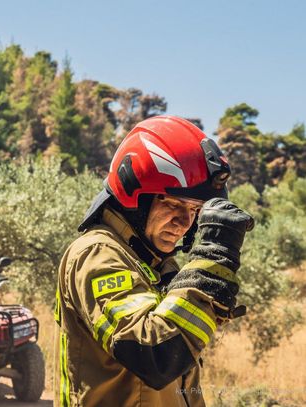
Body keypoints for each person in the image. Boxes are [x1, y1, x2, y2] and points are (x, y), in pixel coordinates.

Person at [54, 116, 254, 407]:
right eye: (173, 203)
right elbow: (155, 354)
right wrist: (209, 265)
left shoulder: (159, 266)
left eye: (195, 210)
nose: (185, 222)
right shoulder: (96, 253)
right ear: (134, 198)